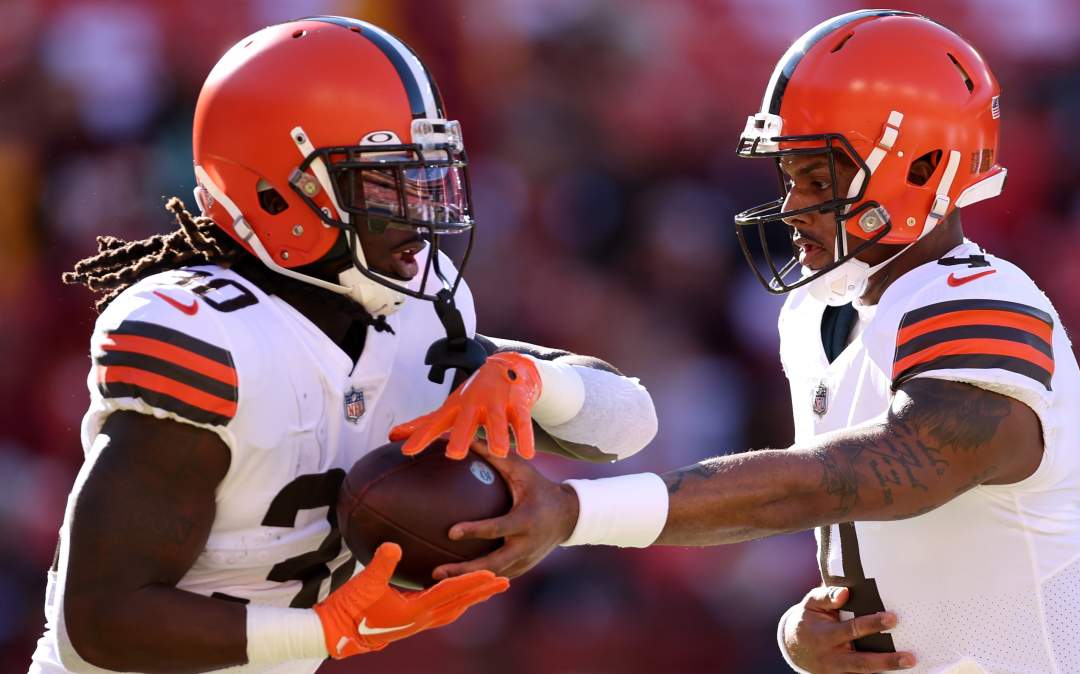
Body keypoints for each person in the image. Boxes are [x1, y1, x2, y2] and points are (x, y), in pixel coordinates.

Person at [400, 10, 1080, 674]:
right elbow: (841, 515)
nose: (792, 206)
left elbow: (861, 476)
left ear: (922, 167)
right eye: (788, 174)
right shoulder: (815, 313)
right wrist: (808, 628)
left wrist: (578, 511)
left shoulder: (984, 299)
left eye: (817, 177)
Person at [30, 16, 657, 674]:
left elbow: (628, 427)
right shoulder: (207, 338)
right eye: (386, 182)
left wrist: (533, 379)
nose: (421, 210)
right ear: (276, 194)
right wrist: (322, 631)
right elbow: (98, 622)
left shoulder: (415, 305)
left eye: (426, 177)